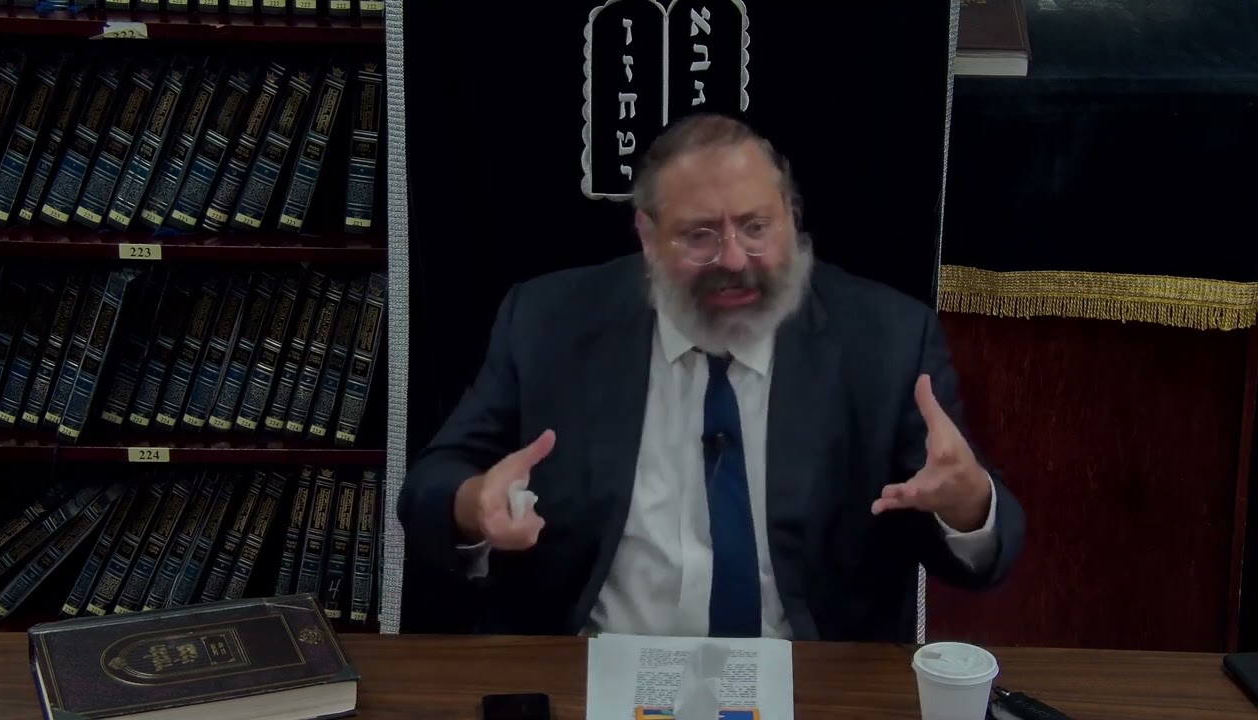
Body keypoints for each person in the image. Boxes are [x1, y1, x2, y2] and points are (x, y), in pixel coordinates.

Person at [399, 113, 1025, 641]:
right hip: (594, 674)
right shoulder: (548, 323)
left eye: (756, 227)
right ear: (648, 236)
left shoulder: (885, 340)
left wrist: (967, 505)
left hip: (809, 683)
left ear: (792, 218)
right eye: (700, 235)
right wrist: (474, 505)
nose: (733, 258)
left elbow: (982, 557)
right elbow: (431, 483)